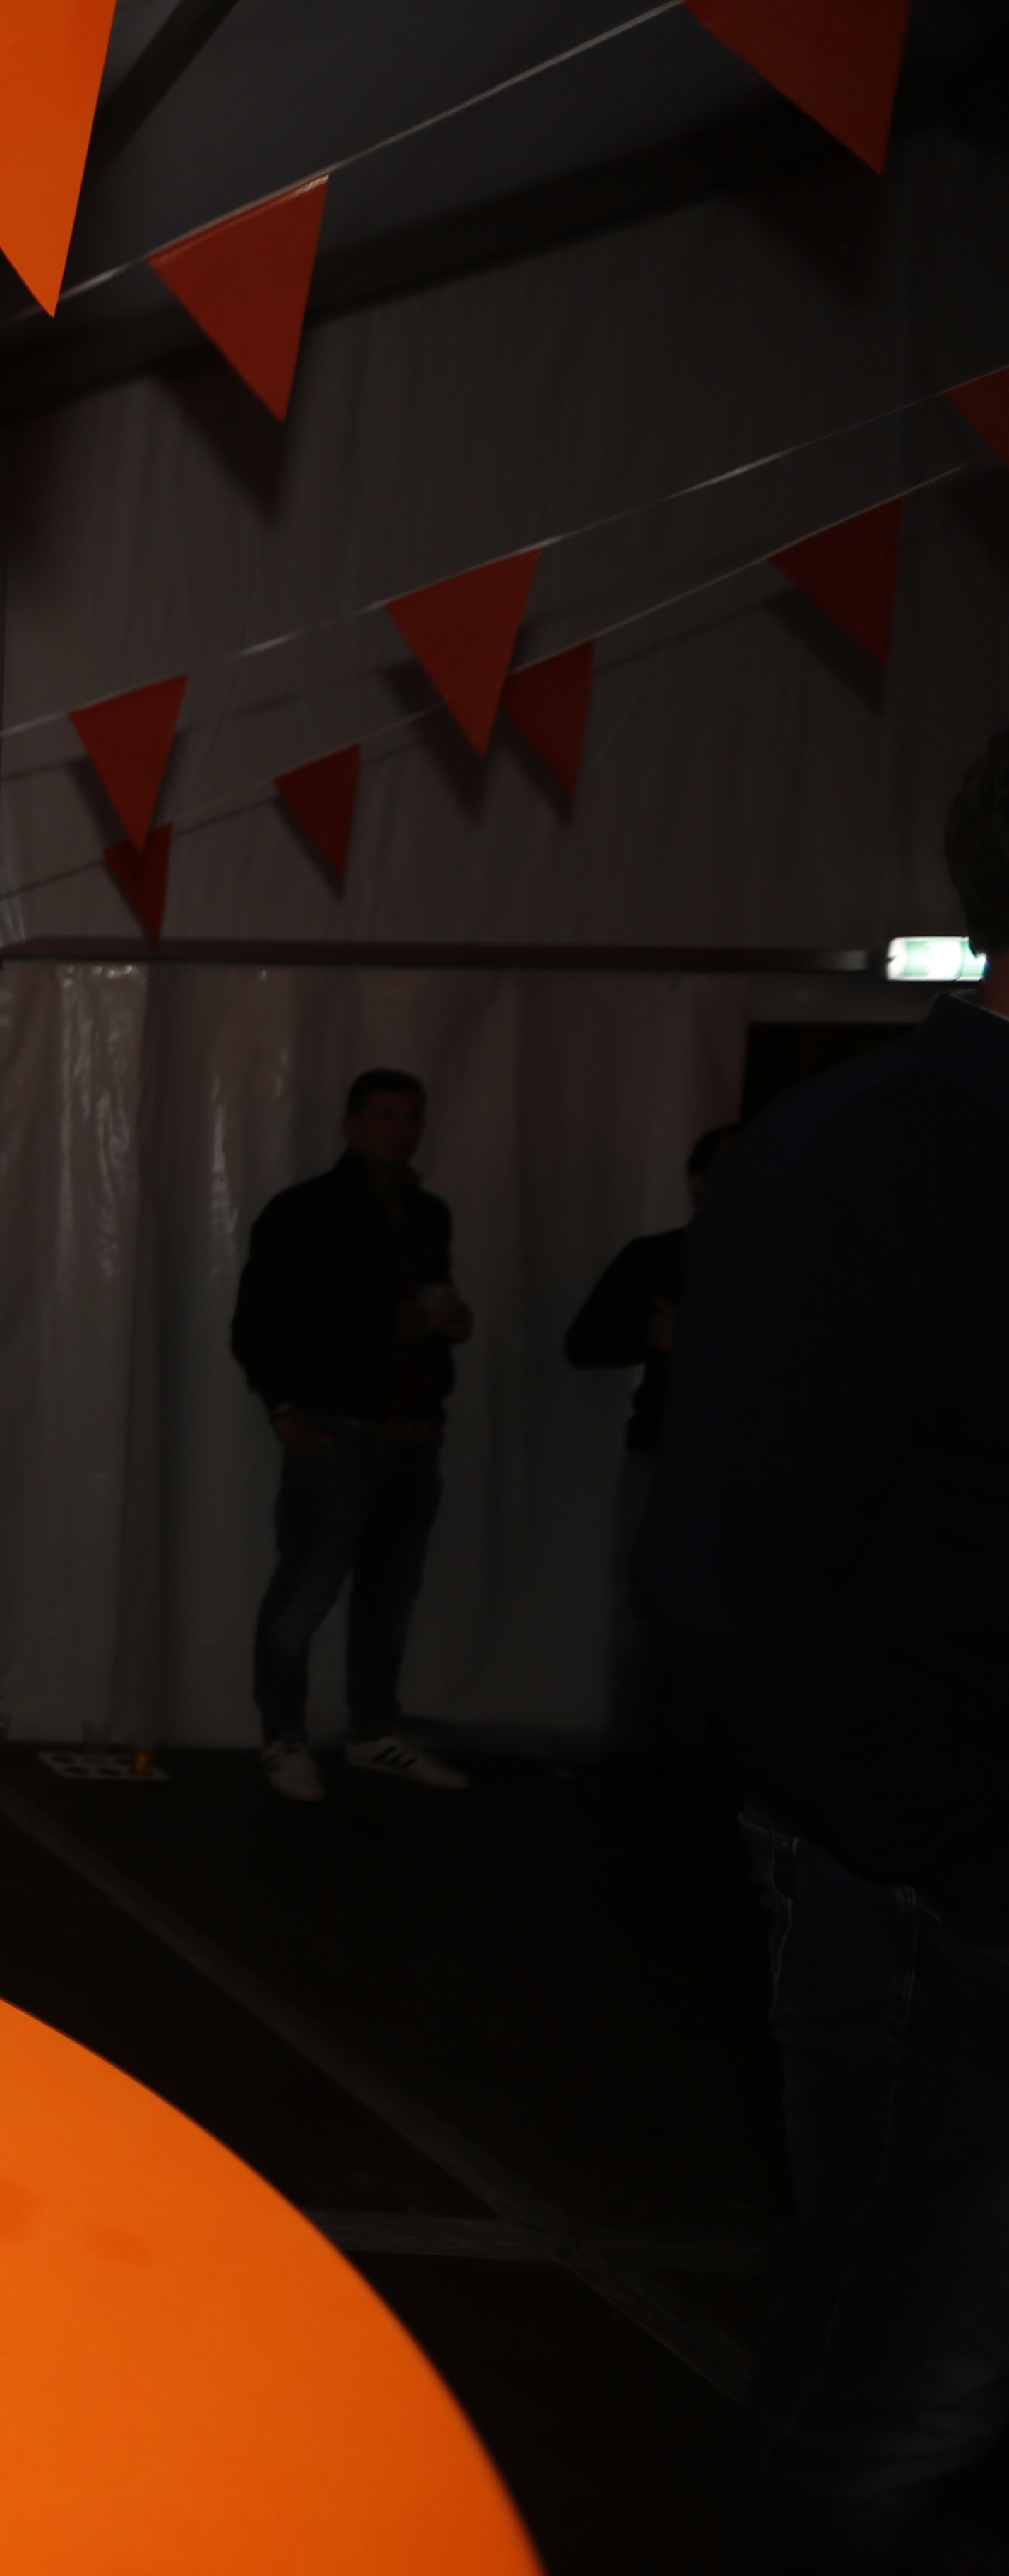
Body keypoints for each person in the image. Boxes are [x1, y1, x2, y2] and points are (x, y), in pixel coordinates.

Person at [652, 729, 1009, 2571]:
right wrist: (954, 1853)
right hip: (946, 1907)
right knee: (905, 2400)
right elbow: (732, 1572)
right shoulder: (882, 1151)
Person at [227, 1068, 476, 1802]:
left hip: (414, 1430)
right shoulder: (306, 1210)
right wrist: (284, 1411)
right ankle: (284, 1738)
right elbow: (260, 1322)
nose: (401, 1129)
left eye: (412, 1116)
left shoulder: (427, 1213)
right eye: (386, 1114)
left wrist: (448, 1324)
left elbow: (417, 1312)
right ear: (352, 1123)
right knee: (306, 1590)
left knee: (389, 1596)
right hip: (339, 1427)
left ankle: (373, 1733)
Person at [561, 1123, 736, 1765]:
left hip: (751, 1467)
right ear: (697, 1181)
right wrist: (665, 1342)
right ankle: (631, 1753)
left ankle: (717, 1758)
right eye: (725, 1168)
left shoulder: (794, 1263)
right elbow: (585, 1344)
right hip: (661, 1454)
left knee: (735, 1611)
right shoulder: (658, 1258)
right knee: (643, 1609)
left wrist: (702, 1345)